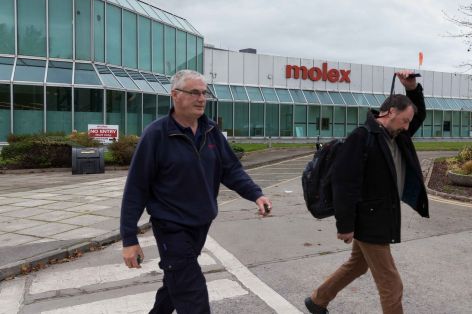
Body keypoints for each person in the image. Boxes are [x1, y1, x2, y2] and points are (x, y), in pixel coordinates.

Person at [120, 69, 272, 314]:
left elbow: (231, 170)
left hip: (201, 223)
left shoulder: (210, 131)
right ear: (175, 96)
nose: (201, 98)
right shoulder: (156, 135)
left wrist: (256, 194)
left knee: (175, 283)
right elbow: (136, 188)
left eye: (204, 93)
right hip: (171, 226)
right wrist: (129, 238)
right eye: (194, 93)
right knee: (192, 295)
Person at [305, 70, 429, 314]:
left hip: (382, 216)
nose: (407, 126)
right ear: (390, 112)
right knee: (391, 283)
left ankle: (317, 300)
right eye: (404, 120)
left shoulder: (397, 135)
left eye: (408, 122)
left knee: (357, 265)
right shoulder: (361, 138)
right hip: (369, 220)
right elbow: (344, 183)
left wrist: (413, 88)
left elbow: (419, 115)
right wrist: (345, 225)